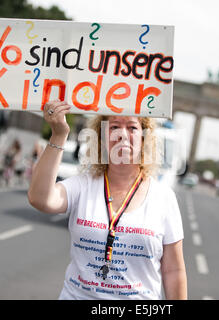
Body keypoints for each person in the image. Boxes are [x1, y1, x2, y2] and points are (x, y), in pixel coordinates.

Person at [27, 99, 187, 300]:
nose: (122, 134)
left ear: (145, 138)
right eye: (114, 127)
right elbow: (40, 198)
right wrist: (59, 135)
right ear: (102, 138)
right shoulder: (83, 185)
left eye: (132, 127)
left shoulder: (164, 198)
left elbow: (174, 271)